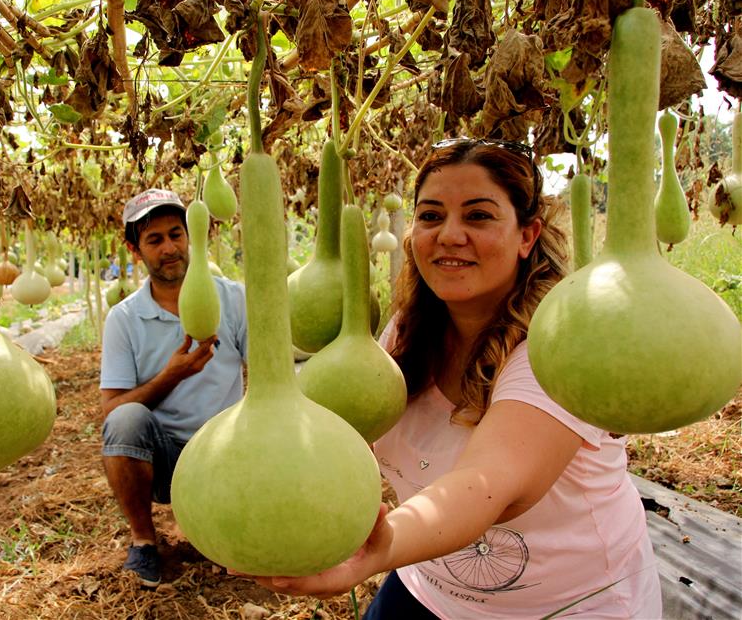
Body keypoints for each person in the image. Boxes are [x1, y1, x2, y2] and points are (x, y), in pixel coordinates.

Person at [251, 139, 662, 618]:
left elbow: (489, 483)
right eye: (430, 216)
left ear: (527, 235)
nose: (449, 235)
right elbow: (349, 436)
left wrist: (380, 549)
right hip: (429, 584)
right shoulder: (405, 331)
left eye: (478, 216)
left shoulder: (561, 348)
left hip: (569, 606)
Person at [100, 188, 247, 587]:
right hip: (165, 456)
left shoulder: (234, 300)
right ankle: (145, 541)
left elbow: (270, 373)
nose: (170, 248)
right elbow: (111, 409)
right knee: (125, 421)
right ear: (135, 249)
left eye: (176, 234)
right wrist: (172, 375)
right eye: (154, 239)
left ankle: (231, 527)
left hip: (228, 452)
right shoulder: (124, 318)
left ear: (191, 236)